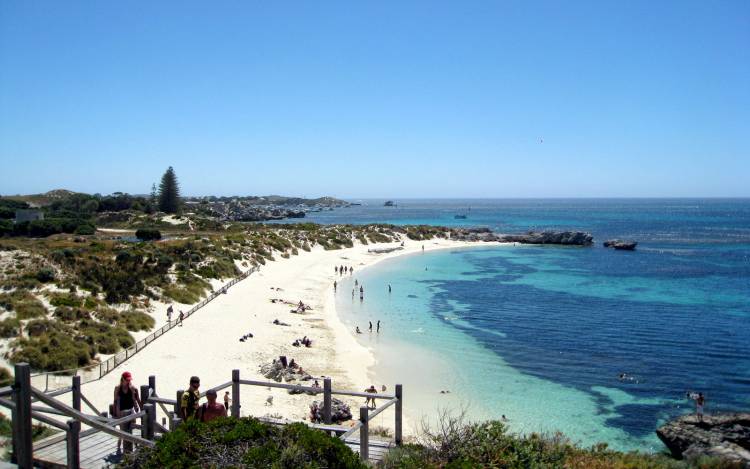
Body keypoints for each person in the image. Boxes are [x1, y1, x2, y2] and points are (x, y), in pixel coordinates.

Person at [113, 371, 142, 454]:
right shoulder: (117, 388)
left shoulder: (133, 388)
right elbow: (115, 401)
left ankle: (135, 445)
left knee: (131, 428)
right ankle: (119, 446)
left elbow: (137, 400)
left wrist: (141, 409)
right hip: (121, 412)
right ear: (123, 379)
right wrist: (115, 414)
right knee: (123, 430)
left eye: (130, 380)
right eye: (127, 380)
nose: (129, 381)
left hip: (131, 411)